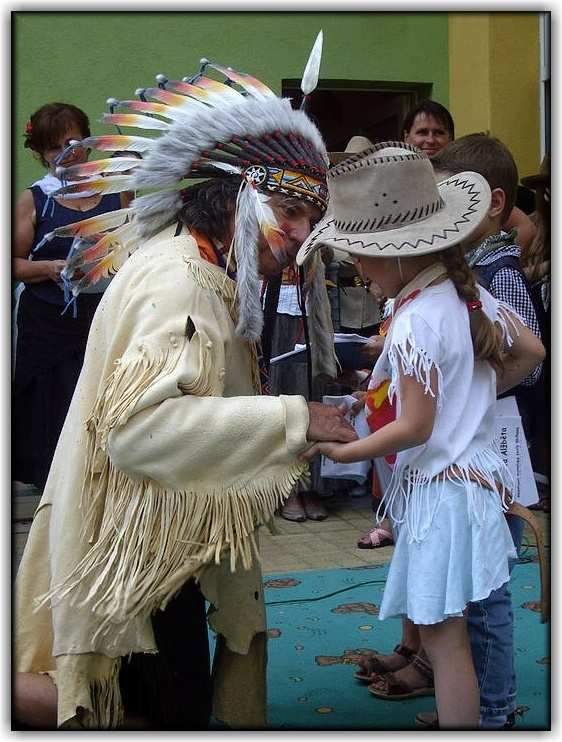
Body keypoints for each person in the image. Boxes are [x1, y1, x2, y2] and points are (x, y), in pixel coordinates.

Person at [13, 52, 358, 730]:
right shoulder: (184, 282)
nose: (297, 237)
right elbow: (139, 432)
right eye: (288, 211)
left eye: (306, 220)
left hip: (160, 542)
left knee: (148, 698)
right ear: (240, 199)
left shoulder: (195, 260)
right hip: (137, 554)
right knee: (117, 704)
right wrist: (297, 418)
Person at [296, 142, 545, 729]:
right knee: (449, 635)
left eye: (365, 258)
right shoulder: (460, 292)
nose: (358, 270)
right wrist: (476, 390)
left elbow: (415, 426)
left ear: (401, 255)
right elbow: (531, 351)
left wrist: (341, 449)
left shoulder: (414, 318)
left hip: (444, 494)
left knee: (445, 640)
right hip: (476, 483)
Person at [13, 102, 131, 491]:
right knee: (53, 398)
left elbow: (136, 246)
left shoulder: (117, 190)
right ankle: (53, 482)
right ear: (42, 153)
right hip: (48, 319)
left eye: (75, 141)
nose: (68, 151)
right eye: (55, 147)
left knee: (106, 389)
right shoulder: (35, 199)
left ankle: (104, 472)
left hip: (105, 312)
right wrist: (50, 269)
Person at [402, 99, 535, 248]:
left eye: (439, 133)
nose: (430, 140)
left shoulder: (465, 182)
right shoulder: (393, 183)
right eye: (422, 132)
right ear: (406, 137)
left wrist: (489, 264)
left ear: (451, 139)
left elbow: (525, 228)